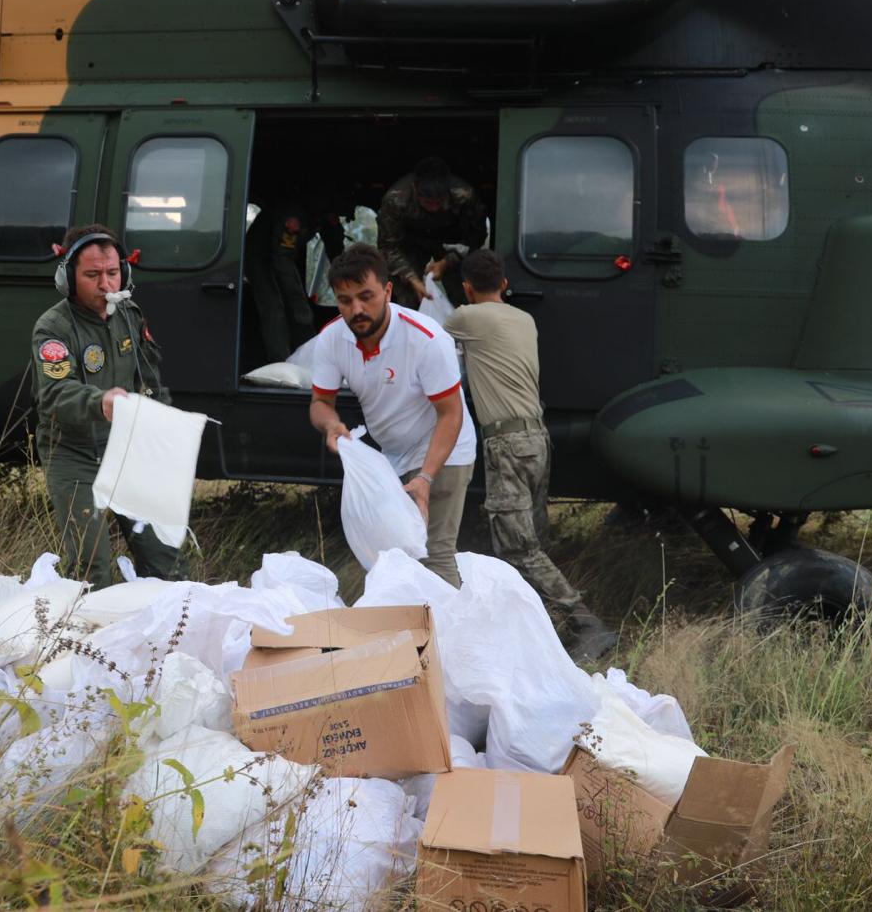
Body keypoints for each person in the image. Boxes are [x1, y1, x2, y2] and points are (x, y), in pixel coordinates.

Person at [445, 248, 616, 661]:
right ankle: (537, 629)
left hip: (505, 444)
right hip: (537, 440)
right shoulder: (525, 319)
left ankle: (586, 623)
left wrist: (431, 277)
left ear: (467, 288)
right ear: (504, 284)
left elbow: (426, 333)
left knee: (518, 549)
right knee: (533, 538)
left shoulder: (466, 318)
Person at [309, 243, 477, 586]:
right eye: (345, 300)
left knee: (433, 555)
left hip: (445, 450)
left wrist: (426, 479)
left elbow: (450, 415)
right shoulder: (331, 340)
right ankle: (406, 633)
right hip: (392, 456)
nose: (357, 309)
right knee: (393, 557)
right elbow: (320, 403)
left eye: (366, 296)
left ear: (387, 291)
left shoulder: (427, 339)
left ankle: (449, 637)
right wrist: (331, 426)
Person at [32, 224, 188, 589]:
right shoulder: (52, 328)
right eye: (92, 275)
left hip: (126, 449)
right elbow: (54, 395)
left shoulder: (129, 316)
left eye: (113, 273)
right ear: (68, 278)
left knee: (167, 561)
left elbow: (149, 379)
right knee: (93, 568)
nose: (106, 285)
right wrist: (99, 401)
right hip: (74, 453)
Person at [377, 156, 487, 310]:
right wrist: (412, 279)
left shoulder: (464, 196)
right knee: (407, 295)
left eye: (439, 202)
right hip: (411, 242)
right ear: (415, 189)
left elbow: (476, 236)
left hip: (452, 242)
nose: (434, 208)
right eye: (429, 202)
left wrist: (447, 261)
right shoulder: (396, 199)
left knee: (463, 291)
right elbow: (388, 247)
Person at [246, 195, 346, 362]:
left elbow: (335, 249)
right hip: (258, 257)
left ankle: (307, 358)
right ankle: (281, 364)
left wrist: (345, 277)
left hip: (280, 257)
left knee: (297, 310)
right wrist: (299, 304)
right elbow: (282, 259)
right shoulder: (294, 215)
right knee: (274, 309)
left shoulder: (322, 215)